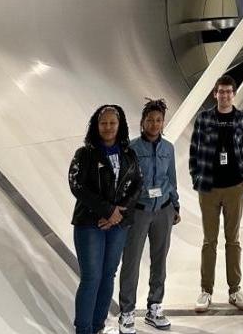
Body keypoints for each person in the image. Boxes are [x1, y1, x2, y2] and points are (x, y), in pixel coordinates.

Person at [68, 105, 143, 334]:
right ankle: (84, 329)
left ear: (119, 126)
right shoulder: (85, 153)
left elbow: (137, 185)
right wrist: (106, 210)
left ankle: (98, 326)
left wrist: (118, 213)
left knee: (108, 275)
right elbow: (76, 185)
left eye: (113, 123)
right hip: (90, 224)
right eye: (104, 123)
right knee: (92, 277)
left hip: (118, 225)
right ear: (96, 125)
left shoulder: (129, 154)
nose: (108, 127)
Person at [189, 74, 243, 312]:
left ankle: (235, 290)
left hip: (234, 188)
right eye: (221, 91)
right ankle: (205, 290)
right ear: (214, 94)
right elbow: (194, 151)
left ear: (233, 94)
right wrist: (196, 178)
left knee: (233, 241)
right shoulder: (204, 119)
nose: (225, 95)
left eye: (229, 91)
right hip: (208, 187)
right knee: (209, 241)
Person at [118, 99, 180, 332]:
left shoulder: (169, 148)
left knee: (159, 260)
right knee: (131, 261)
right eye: (150, 120)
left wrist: (176, 206)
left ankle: (154, 306)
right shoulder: (132, 148)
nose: (154, 124)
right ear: (142, 122)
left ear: (163, 123)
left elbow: (171, 179)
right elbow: (124, 182)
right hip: (139, 212)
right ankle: (127, 311)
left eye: (158, 120)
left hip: (163, 210)